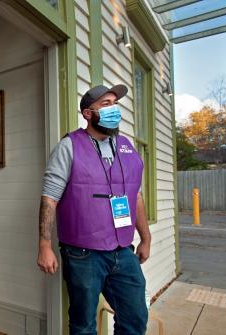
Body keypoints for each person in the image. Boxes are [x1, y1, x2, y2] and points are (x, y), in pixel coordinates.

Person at [37, 84, 151, 335]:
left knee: (135, 317)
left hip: (123, 250)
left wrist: (146, 237)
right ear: (88, 113)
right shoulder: (69, 146)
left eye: (115, 103)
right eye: (106, 104)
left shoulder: (126, 147)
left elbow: (136, 196)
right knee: (83, 324)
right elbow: (50, 198)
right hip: (83, 254)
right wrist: (44, 246)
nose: (114, 109)